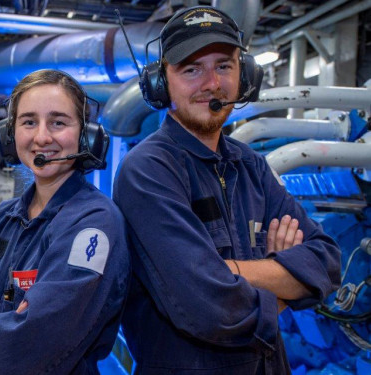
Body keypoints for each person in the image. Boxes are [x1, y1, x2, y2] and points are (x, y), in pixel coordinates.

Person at [113, 6, 341, 374]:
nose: (212, 83)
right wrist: (281, 279)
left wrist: (229, 272)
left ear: (244, 76)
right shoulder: (148, 170)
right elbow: (210, 308)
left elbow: (327, 262)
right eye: (191, 69)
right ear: (160, 83)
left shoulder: (250, 165)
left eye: (224, 65)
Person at [0, 69, 130, 375]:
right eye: (29, 122)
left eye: (58, 122)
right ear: (10, 134)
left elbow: (30, 347)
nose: (42, 137)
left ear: (85, 135)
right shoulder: (2, 218)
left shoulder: (94, 224)